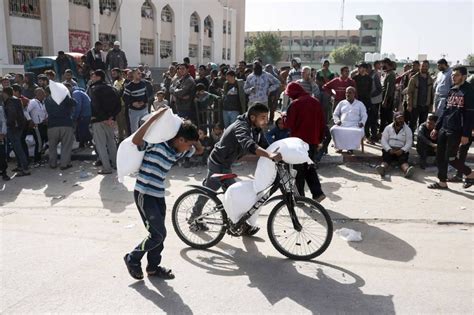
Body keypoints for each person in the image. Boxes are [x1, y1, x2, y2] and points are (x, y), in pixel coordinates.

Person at [123, 108, 202, 280]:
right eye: (188, 144)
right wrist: (153, 119)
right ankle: (132, 258)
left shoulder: (178, 151)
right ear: (180, 139)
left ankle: (153, 267)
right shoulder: (156, 143)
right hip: (144, 193)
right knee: (157, 234)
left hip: (158, 194)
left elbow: (200, 150)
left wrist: (190, 132)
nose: (189, 148)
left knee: (160, 234)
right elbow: (136, 140)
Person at [195, 104, 282, 234]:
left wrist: (279, 155)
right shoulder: (241, 126)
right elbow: (247, 143)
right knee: (212, 192)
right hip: (217, 163)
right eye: (263, 117)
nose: (266, 120)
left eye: (267, 117)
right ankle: (194, 218)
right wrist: (269, 155)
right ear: (253, 117)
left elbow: (265, 145)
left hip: (226, 164)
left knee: (235, 195)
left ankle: (240, 224)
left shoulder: (256, 128)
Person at [428, 66, 474, 189]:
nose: (453, 77)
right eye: (453, 75)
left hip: (457, 130)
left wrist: (466, 134)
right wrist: (436, 128)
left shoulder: (469, 91)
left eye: (456, 75)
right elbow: (445, 110)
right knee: (439, 157)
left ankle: (470, 173)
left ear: (464, 76)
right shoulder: (452, 90)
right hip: (445, 127)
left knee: (451, 158)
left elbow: (470, 115)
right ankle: (442, 182)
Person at [283, 82, 326, 202]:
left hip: (298, 143)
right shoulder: (315, 101)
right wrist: (319, 141)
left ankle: (300, 197)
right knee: (309, 167)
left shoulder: (295, 104)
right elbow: (322, 122)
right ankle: (317, 193)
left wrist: (283, 116)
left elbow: (288, 124)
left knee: (298, 170)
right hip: (312, 141)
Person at [88, 69, 121, 175]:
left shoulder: (94, 89)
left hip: (99, 121)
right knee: (111, 143)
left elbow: (96, 106)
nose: (92, 78)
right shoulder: (112, 89)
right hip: (110, 121)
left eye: (93, 76)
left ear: (98, 77)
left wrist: (105, 118)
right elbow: (118, 105)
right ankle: (116, 165)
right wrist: (111, 117)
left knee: (101, 145)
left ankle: (106, 168)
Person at [44, 86, 75, 170]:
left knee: (52, 146)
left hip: (52, 126)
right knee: (66, 146)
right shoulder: (64, 97)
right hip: (66, 124)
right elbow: (74, 103)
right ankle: (64, 164)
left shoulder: (47, 100)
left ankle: (53, 164)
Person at [376, 112, 415, 178]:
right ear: (394, 119)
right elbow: (384, 140)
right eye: (399, 119)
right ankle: (382, 169)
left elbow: (409, 142)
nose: (401, 120)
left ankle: (407, 171)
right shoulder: (388, 128)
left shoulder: (408, 129)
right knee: (386, 159)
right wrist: (389, 149)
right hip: (390, 149)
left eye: (402, 118)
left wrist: (402, 150)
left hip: (401, 150)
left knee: (403, 161)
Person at [330, 86, 368, 154]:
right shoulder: (342, 103)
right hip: (342, 124)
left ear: (354, 94)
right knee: (333, 129)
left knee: (356, 131)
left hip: (355, 125)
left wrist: (362, 122)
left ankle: (350, 148)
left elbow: (364, 115)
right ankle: (339, 147)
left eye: (350, 93)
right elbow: (335, 114)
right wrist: (337, 121)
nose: (347, 94)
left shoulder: (360, 104)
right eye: (346, 93)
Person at [2, 87, 30, 176]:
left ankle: (25, 169)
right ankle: (20, 166)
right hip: (18, 127)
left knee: (18, 148)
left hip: (14, 128)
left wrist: (8, 123)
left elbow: (12, 114)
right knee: (16, 147)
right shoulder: (15, 100)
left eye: (3, 93)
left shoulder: (10, 102)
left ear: (6, 93)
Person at [406, 60, 434, 137]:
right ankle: (409, 139)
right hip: (415, 105)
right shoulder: (414, 78)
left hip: (425, 106)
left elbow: (432, 93)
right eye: (422, 66)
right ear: (420, 67)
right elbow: (409, 92)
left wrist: (431, 105)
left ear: (428, 67)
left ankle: (420, 140)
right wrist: (409, 104)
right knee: (412, 123)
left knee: (423, 125)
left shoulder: (430, 79)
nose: (424, 68)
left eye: (426, 66)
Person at [67, 83, 92, 149]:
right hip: (86, 113)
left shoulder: (76, 93)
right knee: (83, 129)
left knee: (81, 129)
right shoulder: (77, 92)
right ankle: (87, 143)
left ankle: (83, 144)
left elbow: (77, 106)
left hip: (84, 114)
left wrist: (75, 116)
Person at [123, 69, 149, 133]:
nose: (140, 75)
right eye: (138, 73)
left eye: (140, 73)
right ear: (133, 75)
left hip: (144, 110)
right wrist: (132, 103)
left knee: (146, 128)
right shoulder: (129, 86)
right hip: (134, 111)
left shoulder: (143, 83)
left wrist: (145, 102)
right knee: (134, 130)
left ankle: (144, 143)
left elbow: (146, 94)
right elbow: (125, 98)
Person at [26, 88, 48, 162]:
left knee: (45, 140)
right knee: (39, 142)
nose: (43, 95)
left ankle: (40, 155)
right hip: (36, 125)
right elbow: (26, 111)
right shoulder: (33, 102)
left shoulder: (44, 102)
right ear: (37, 94)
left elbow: (46, 112)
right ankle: (37, 159)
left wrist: (46, 118)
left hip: (44, 124)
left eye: (44, 93)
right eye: (41, 93)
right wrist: (30, 120)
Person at [353, 63, 373, 140]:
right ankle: (356, 135)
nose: (361, 69)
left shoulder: (369, 79)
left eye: (363, 68)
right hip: (357, 100)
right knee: (356, 117)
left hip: (366, 101)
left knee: (366, 118)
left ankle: (367, 135)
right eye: (360, 68)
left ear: (366, 69)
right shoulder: (355, 78)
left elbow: (370, 90)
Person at [379, 58, 396, 133]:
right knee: (383, 116)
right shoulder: (387, 73)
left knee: (386, 117)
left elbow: (389, 89)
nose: (382, 66)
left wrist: (385, 100)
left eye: (383, 64)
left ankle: (386, 132)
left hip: (387, 99)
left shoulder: (391, 74)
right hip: (384, 97)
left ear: (386, 63)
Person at [111, 68, 128, 142]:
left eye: (114, 74)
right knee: (118, 124)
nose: (113, 75)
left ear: (119, 73)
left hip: (123, 105)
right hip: (117, 106)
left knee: (124, 124)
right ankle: (120, 139)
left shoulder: (124, 82)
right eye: (112, 74)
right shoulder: (115, 82)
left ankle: (127, 138)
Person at [368, 61, 383, 143]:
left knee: (373, 119)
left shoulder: (375, 75)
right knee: (369, 119)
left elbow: (379, 89)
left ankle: (374, 136)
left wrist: (371, 95)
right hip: (369, 101)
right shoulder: (367, 75)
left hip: (374, 101)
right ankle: (370, 135)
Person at [0, 100, 10, 180]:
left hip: (0, 135)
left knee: (2, 155)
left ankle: (4, 172)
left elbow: (3, 121)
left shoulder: (0, 109)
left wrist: (2, 133)